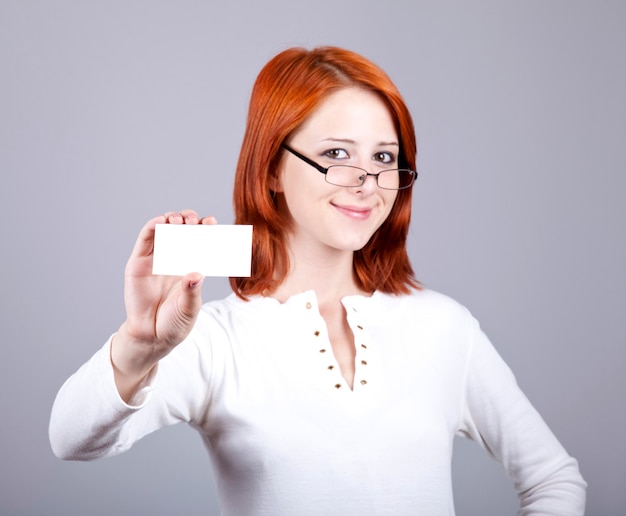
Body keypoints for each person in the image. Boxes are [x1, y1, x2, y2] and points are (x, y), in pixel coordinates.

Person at [49, 46, 586, 515]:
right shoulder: (213, 339)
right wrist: (140, 345)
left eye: (384, 158)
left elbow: (554, 480)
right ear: (271, 171)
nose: (368, 182)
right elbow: (71, 438)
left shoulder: (444, 327)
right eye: (336, 154)